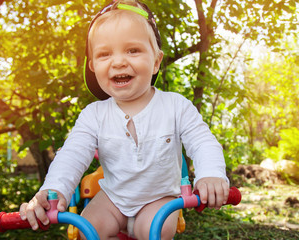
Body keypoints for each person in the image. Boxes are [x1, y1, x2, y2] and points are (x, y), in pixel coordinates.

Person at [19, 1, 229, 239]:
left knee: (152, 230)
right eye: (104, 54)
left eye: (132, 50)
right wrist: (53, 190)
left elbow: (203, 142)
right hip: (113, 198)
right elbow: (72, 155)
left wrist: (210, 174)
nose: (118, 62)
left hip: (158, 198)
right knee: (86, 229)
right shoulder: (93, 115)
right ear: (93, 66)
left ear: (156, 61)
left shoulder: (175, 106)